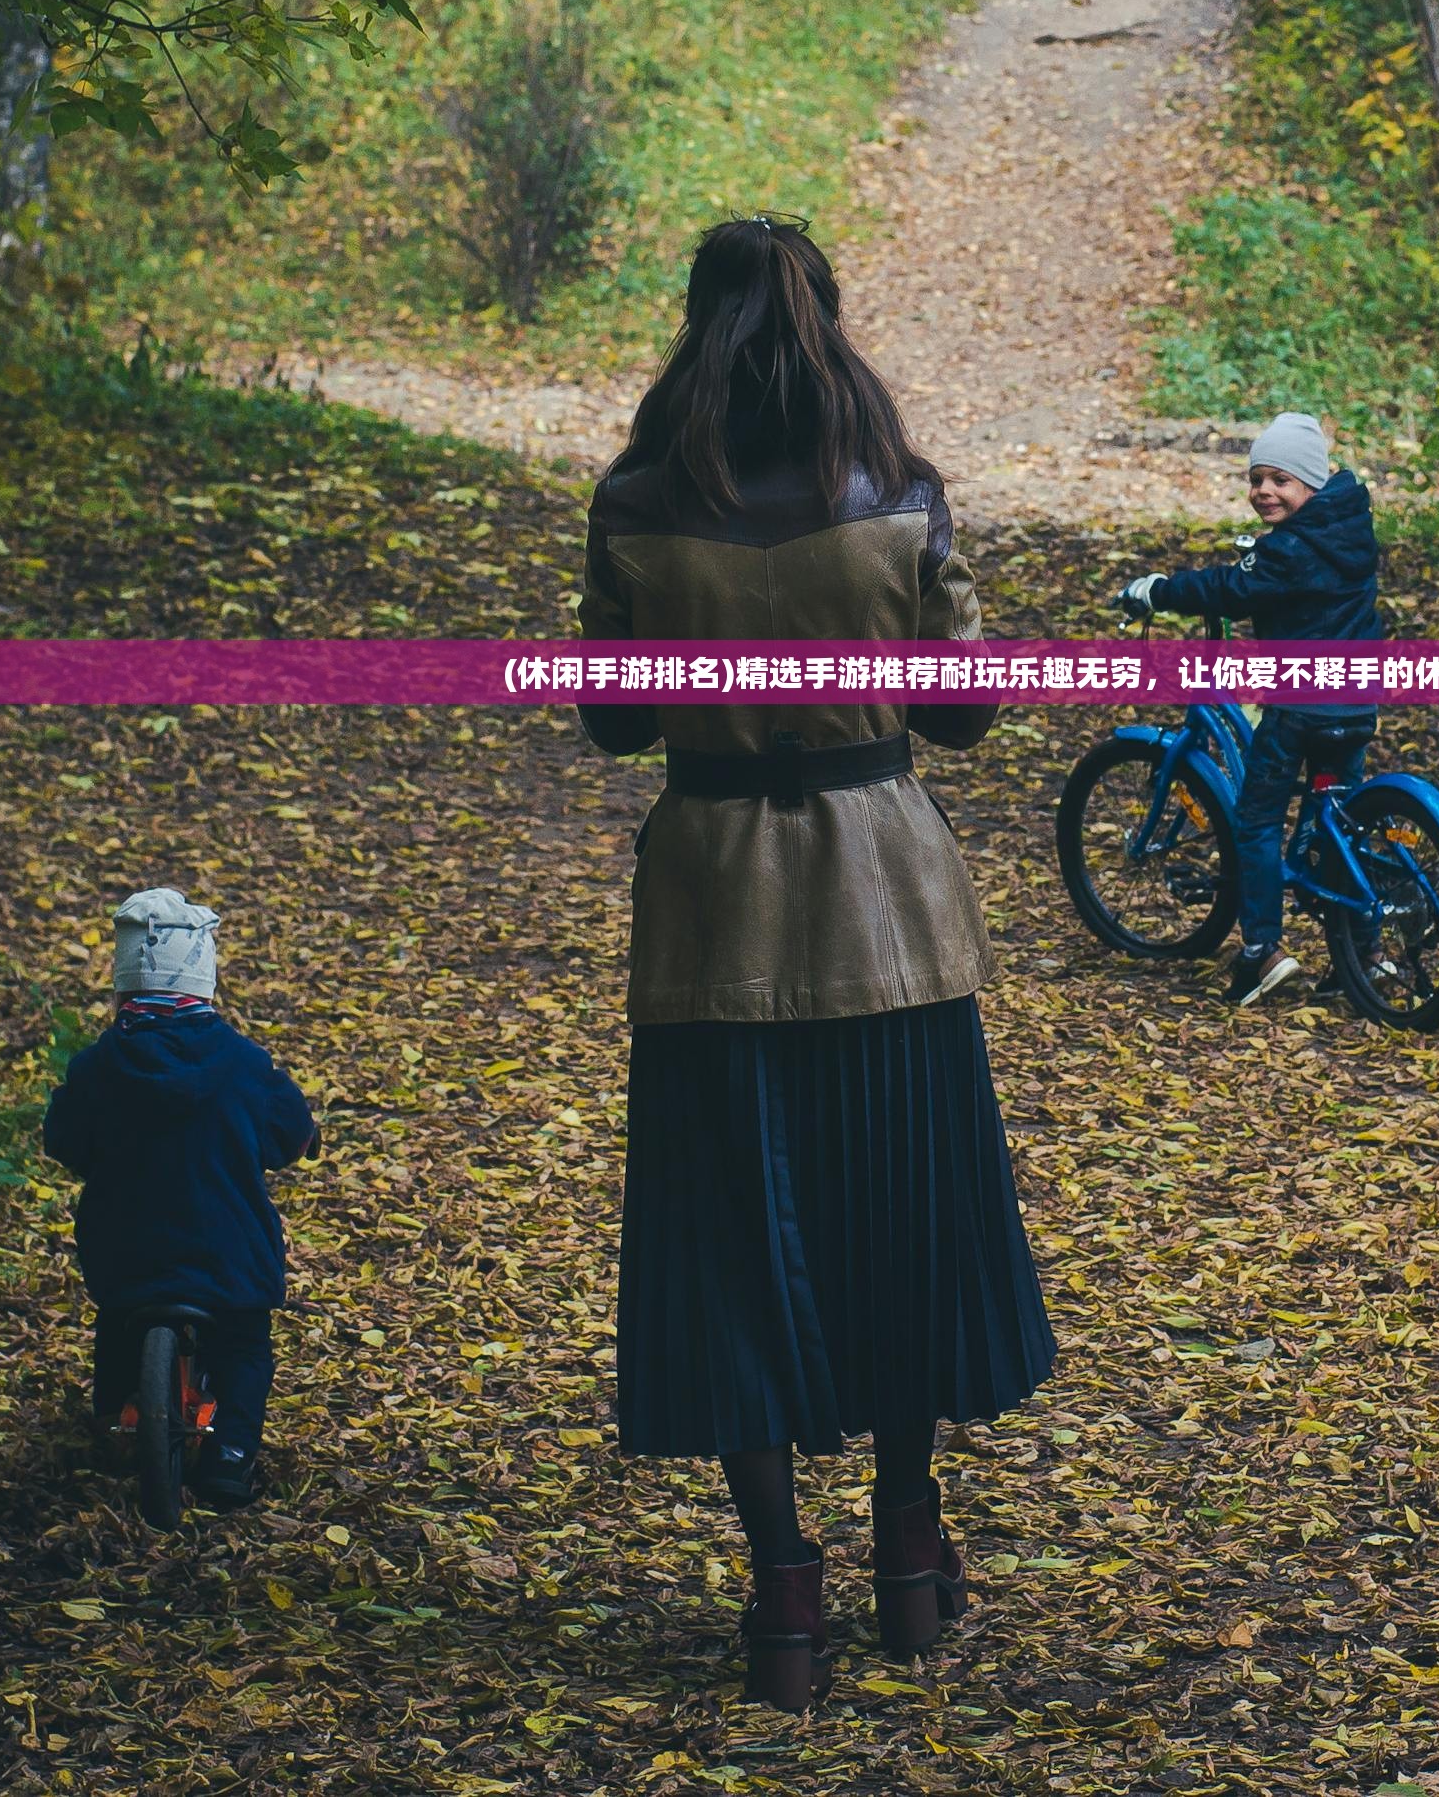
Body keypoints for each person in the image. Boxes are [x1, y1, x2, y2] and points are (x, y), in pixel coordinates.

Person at [580, 214, 1055, 1708]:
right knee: (897, 1234)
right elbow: (965, 714)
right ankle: (909, 1564)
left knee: (732, 1250)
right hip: (887, 920)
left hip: (716, 927)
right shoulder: (899, 497)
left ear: (694, 330)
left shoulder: (638, 503)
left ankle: (784, 1596)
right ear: (829, 324)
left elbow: (610, 721)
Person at [41, 887, 319, 1512]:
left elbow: (63, 1138)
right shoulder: (246, 1066)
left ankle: (117, 1416)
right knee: (245, 1340)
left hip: (128, 1250)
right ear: (205, 986)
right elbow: (288, 1131)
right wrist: (295, 1141)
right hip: (228, 1252)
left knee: (117, 1320)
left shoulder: (97, 1068)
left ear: (122, 992)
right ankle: (230, 1457)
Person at [1117, 411, 1385, 1007]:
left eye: (1281, 480)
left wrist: (1159, 590)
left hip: (1300, 707)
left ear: (1311, 484)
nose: (1265, 491)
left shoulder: (1290, 550)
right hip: (1355, 700)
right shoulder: (1348, 531)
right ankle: (1365, 952)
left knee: (1256, 819)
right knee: (1337, 820)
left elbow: (1229, 588)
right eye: (1257, 479)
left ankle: (1262, 949)